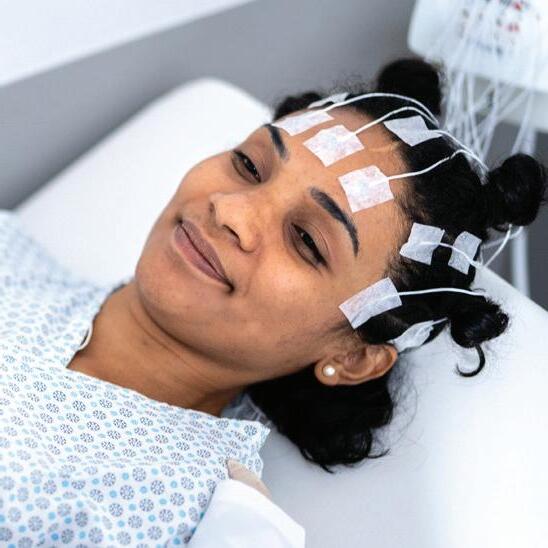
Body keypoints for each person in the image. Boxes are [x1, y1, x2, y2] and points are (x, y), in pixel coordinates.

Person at [1, 56, 546, 546]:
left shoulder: (161, 509)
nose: (231, 211)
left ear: (353, 356)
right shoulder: (12, 255)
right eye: (249, 166)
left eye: (306, 240)